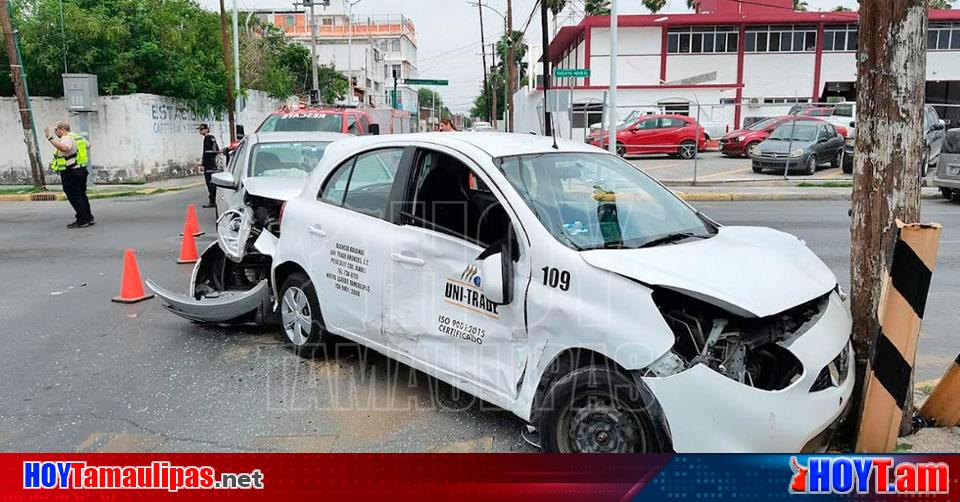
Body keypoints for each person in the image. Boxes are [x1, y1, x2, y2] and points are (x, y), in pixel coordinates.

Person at [45, 121, 94, 228]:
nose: (55, 132)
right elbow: (88, 145)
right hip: (81, 170)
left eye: (56, 130)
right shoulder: (77, 136)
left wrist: (50, 138)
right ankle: (89, 217)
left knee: (75, 197)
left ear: (62, 129)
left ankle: (82, 220)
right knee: (82, 195)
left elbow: (65, 148)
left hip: (71, 172)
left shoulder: (66, 138)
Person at [198, 124, 220, 208]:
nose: (200, 131)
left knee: (209, 183)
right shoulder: (212, 138)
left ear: (207, 129)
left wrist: (204, 163)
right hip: (213, 163)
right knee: (212, 182)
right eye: (200, 130)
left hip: (209, 165)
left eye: (202, 129)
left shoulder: (207, 139)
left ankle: (212, 201)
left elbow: (206, 152)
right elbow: (216, 150)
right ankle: (214, 200)